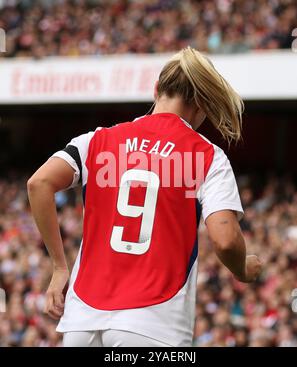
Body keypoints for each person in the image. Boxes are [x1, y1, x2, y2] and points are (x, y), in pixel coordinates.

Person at [27, 47, 262, 347]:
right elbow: (226, 239)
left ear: (156, 91)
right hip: (154, 320)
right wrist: (243, 268)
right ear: (202, 103)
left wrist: (60, 267)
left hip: (82, 320)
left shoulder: (97, 140)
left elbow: (39, 183)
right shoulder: (207, 156)